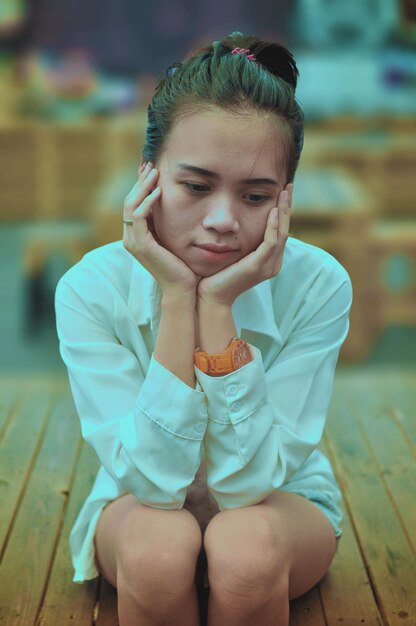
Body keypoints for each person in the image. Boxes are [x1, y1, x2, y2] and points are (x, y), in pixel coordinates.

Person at [55, 31, 352, 626]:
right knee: (158, 550)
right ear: (148, 176)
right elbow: (153, 484)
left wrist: (216, 307)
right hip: (136, 504)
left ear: (284, 200)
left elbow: (249, 487)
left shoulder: (318, 284)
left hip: (280, 502)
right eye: (195, 186)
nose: (222, 221)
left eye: (255, 195)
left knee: (245, 551)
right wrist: (174, 298)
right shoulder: (91, 289)